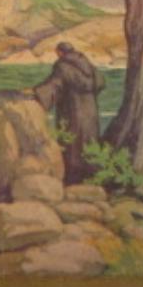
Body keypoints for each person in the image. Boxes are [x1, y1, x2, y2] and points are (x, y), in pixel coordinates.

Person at [33, 42, 106, 184]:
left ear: (60, 52)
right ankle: (92, 174)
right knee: (89, 139)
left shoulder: (62, 65)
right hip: (90, 110)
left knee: (72, 142)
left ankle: (73, 178)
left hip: (72, 110)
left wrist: (37, 92)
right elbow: (100, 82)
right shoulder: (87, 64)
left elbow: (54, 85)